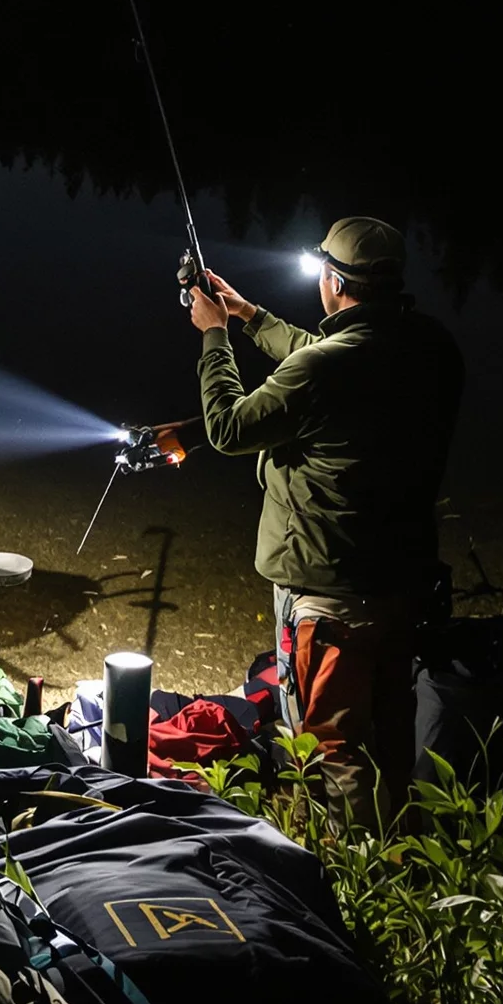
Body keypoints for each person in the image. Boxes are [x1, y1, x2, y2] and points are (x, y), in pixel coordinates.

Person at [186, 216, 463, 824]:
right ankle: (404, 851)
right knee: (392, 731)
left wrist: (215, 337)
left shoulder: (326, 369)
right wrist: (249, 315)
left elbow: (228, 428)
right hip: (403, 582)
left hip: (327, 592)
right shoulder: (432, 349)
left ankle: (347, 870)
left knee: (331, 747)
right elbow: (330, 358)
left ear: (334, 281)